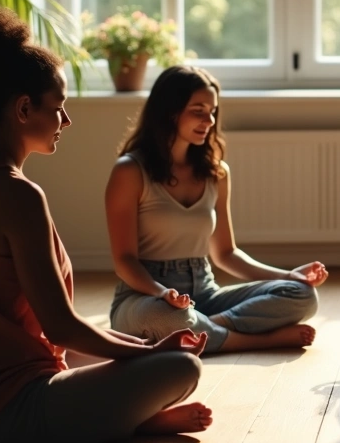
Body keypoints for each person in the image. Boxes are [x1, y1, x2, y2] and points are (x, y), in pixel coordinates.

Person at [0, 8, 211, 443]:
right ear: (24, 109)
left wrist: (135, 344)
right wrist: (151, 355)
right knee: (181, 368)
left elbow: (47, 331)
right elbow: (62, 328)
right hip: (3, 413)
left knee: (138, 350)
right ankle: (133, 421)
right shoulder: (19, 195)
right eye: (59, 108)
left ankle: (126, 414)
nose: (67, 121)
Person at [107, 66, 327, 353]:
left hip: (203, 294)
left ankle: (201, 330)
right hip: (143, 297)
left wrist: (288, 276)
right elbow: (124, 260)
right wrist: (163, 294)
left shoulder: (216, 173)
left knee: (303, 296)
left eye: (212, 111)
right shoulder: (129, 171)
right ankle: (256, 340)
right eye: (198, 110)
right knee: (165, 316)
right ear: (169, 111)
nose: (208, 120)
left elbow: (225, 254)